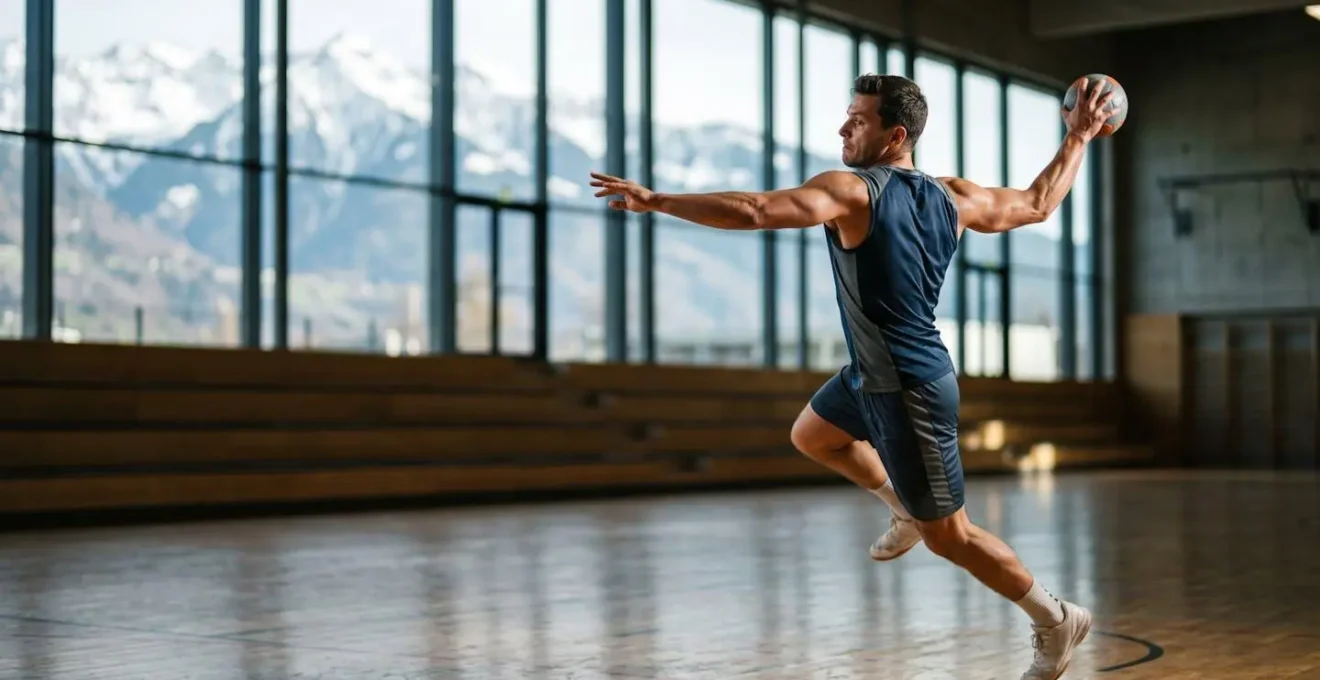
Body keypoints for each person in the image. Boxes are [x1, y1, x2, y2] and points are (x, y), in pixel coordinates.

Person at [590, 73, 1115, 680]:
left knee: (953, 538)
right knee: (813, 435)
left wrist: (658, 201)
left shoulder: (853, 192)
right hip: (873, 373)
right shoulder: (956, 197)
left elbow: (757, 210)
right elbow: (1037, 202)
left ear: (894, 136)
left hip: (910, 388)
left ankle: (1055, 619)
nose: (843, 128)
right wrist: (1078, 137)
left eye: (857, 120)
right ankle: (902, 509)